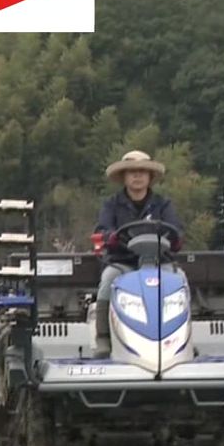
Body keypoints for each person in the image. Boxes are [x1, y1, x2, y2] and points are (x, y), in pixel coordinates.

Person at [92, 150, 184, 357]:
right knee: (108, 279)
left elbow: (176, 232)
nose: (137, 176)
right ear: (124, 177)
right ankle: (103, 339)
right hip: (124, 263)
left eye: (142, 171)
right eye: (132, 172)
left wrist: (175, 239)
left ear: (150, 176)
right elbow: (101, 231)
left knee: (179, 279)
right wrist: (111, 237)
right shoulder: (111, 205)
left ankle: (181, 340)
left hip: (160, 263)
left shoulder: (163, 204)